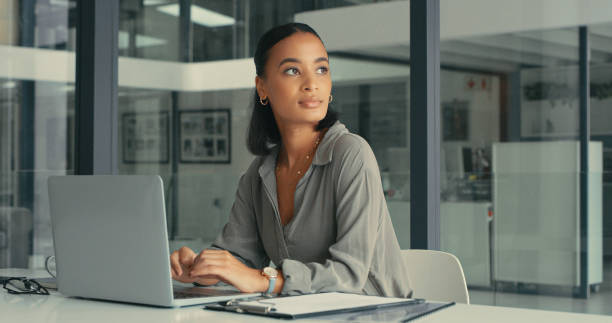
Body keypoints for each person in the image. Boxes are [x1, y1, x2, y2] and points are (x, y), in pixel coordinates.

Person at [169, 22, 412, 298]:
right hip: (304, 313)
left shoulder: (352, 154)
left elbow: (349, 274)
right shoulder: (258, 174)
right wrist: (202, 270)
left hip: (376, 313)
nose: (312, 84)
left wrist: (264, 280)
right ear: (262, 87)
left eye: (321, 69)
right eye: (293, 71)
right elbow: (239, 259)